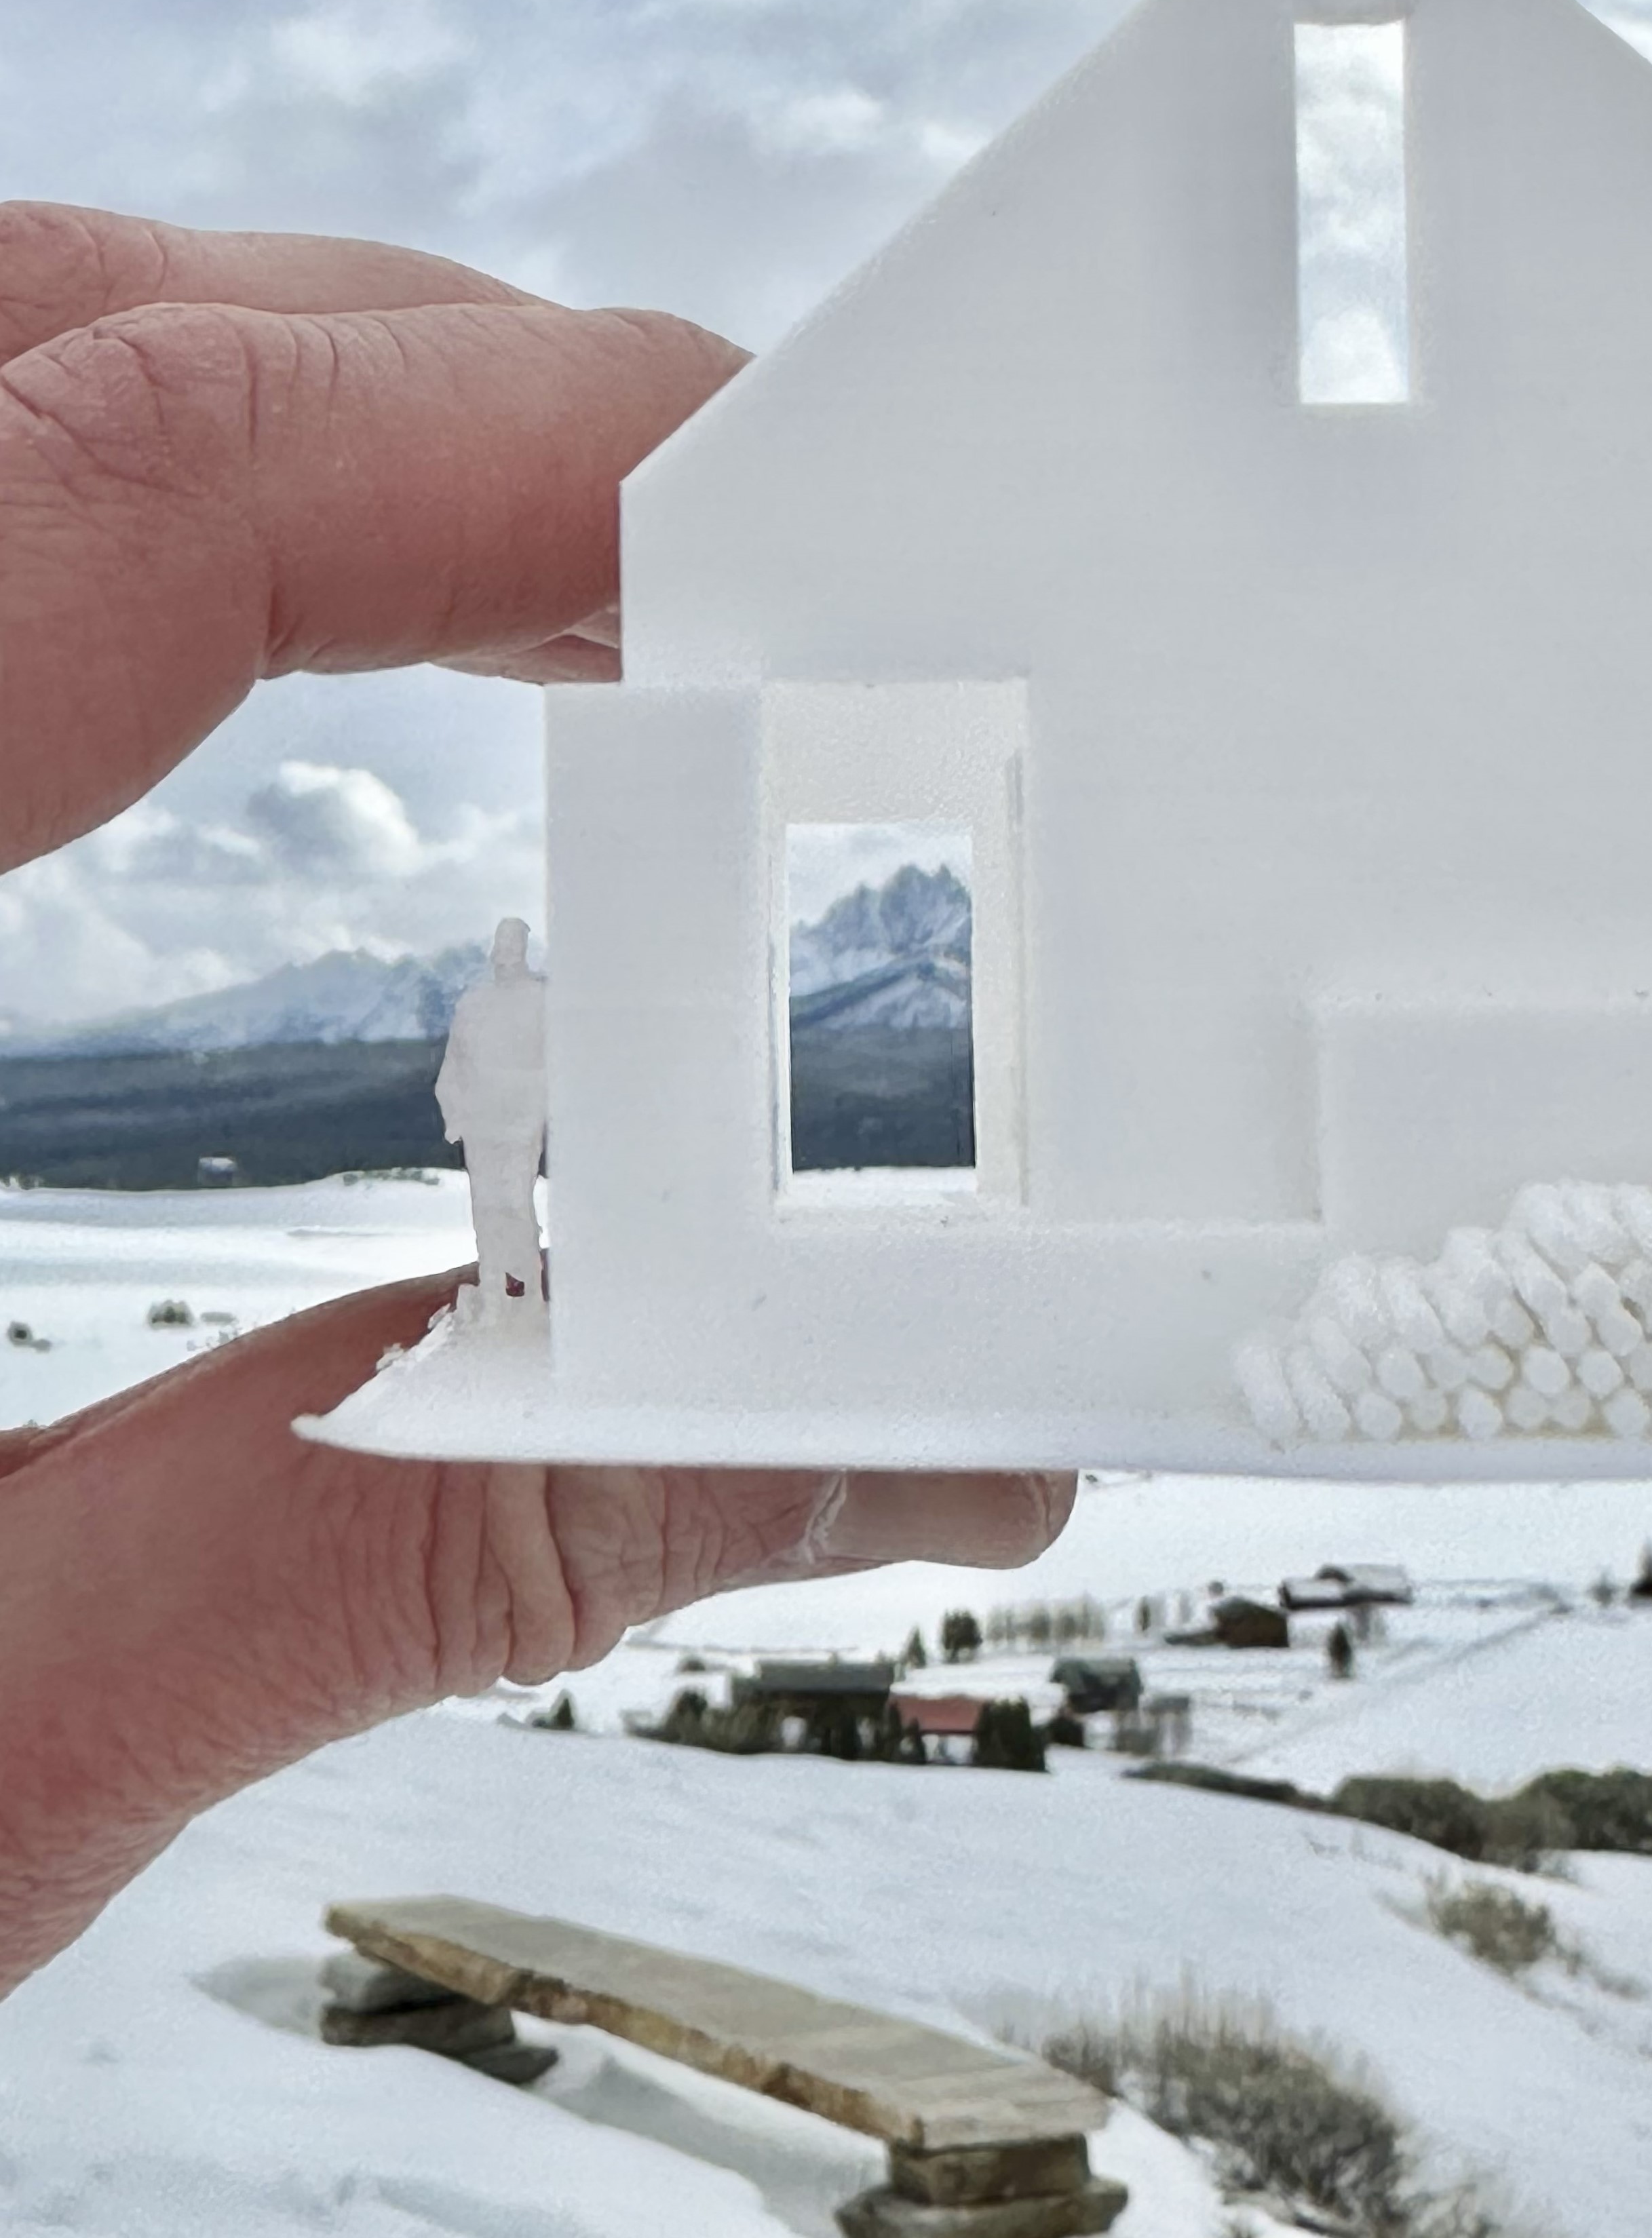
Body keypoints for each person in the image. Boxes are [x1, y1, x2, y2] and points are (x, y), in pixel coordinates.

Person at [0, 201, 1075, 2001]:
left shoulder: (531, 1000)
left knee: (161, 423)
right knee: (512, 1245)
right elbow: (484, 1074)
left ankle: (534, 1296)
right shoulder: (515, 1007)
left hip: (541, 1144)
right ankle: (530, 1305)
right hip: (524, 1157)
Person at [436, 915, 548, 1317]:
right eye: (502, 942)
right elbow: (454, 1064)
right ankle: (493, 1291)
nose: (506, 951)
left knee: (516, 1205)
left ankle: (528, 1293)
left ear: (524, 948)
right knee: (486, 1210)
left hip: (520, 1124)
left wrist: (536, 1111)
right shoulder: (473, 1004)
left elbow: (555, 1064)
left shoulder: (541, 1001)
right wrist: (454, 1113)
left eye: (514, 943)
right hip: (481, 1124)